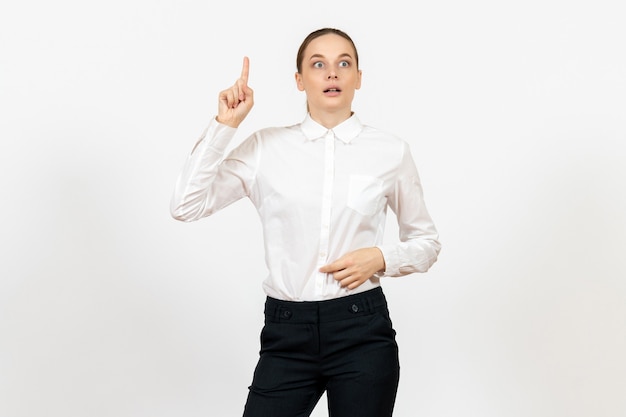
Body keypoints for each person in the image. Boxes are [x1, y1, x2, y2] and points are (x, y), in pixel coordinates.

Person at [170, 27, 441, 417]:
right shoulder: (266, 147)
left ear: (358, 78)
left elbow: (426, 242)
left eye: (343, 63)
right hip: (286, 332)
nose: (332, 73)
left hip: (361, 330)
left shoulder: (390, 152)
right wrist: (224, 125)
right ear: (300, 80)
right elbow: (185, 205)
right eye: (318, 64)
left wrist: (381, 257)